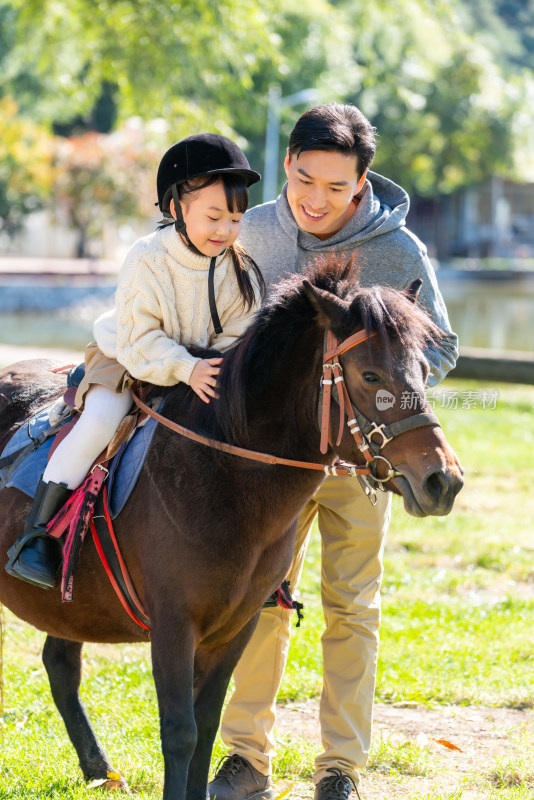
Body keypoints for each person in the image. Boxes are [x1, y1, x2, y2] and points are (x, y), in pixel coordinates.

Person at [208, 105, 458, 800]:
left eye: (336, 188)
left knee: (353, 604)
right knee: (260, 597)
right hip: (273, 460)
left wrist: (381, 404)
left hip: (360, 460)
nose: (316, 200)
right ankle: (243, 757)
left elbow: (441, 347)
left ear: (362, 184)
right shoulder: (252, 230)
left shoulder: (399, 250)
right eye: (304, 180)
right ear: (287, 165)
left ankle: (340, 767)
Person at [6, 133, 264, 590]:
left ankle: (253, 560)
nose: (225, 230)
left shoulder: (240, 269)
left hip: (201, 369)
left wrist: (217, 366)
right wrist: (185, 367)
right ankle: (38, 534)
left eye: (235, 218)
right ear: (177, 208)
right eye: (213, 216)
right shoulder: (147, 258)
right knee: (100, 423)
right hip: (127, 357)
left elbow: (241, 332)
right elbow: (140, 338)